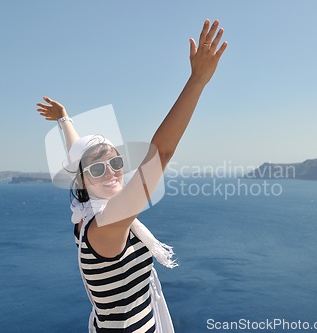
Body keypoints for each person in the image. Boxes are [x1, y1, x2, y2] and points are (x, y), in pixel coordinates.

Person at [37, 19, 227, 333]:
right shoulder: (106, 226)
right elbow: (160, 154)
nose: (111, 171)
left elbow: (78, 154)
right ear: (84, 181)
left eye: (117, 162)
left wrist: (64, 119)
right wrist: (197, 82)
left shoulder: (84, 215)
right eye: (98, 169)